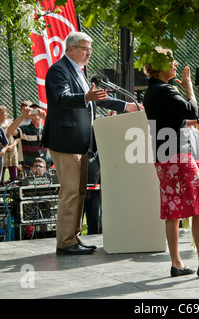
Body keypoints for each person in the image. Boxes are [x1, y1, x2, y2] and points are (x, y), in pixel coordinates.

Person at [143, 47, 199, 278]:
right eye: (170, 60)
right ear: (159, 66)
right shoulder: (165, 90)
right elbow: (190, 108)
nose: (175, 63)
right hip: (178, 157)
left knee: (173, 211)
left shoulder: (152, 91)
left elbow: (173, 121)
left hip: (163, 157)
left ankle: (177, 263)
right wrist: (188, 86)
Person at [42, 31, 126, 255]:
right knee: (70, 192)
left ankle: (73, 239)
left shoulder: (79, 72)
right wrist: (85, 98)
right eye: (84, 48)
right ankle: (65, 242)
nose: (89, 52)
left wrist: (128, 107)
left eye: (90, 48)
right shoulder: (58, 70)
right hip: (66, 142)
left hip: (81, 142)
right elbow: (61, 98)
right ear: (70, 49)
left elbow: (98, 98)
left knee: (79, 191)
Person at [7, 103, 52, 170]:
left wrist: (46, 117)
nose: (35, 112)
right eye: (32, 111)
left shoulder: (47, 128)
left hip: (46, 166)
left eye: (37, 111)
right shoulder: (24, 129)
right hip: (29, 167)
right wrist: (23, 116)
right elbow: (10, 131)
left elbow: (59, 131)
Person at [0, 105, 18, 183]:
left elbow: (17, 137)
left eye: (5, 112)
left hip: (12, 149)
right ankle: (0, 184)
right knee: (1, 167)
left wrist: (13, 145)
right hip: (2, 149)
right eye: (2, 112)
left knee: (13, 168)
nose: (4, 114)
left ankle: (14, 184)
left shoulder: (11, 123)